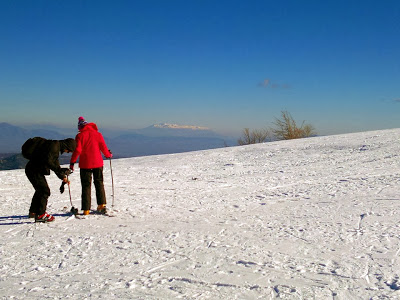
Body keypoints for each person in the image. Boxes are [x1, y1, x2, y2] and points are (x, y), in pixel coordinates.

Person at [24, 138, 76, 222]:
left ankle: (33, 212)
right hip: (34, 170)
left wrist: (62, 177)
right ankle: (40, 215)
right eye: (69, 150)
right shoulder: (54, 147)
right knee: (44, 191)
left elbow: (55, 164)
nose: (68, 152)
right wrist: (61, 171)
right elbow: (49, 162)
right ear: (67, 146)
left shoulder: (55, 147)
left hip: (33, 169)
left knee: (40, 190)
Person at [70, 117, 112, 215]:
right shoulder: (98, 134)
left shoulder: (79, 136)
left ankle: (86, 209)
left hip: (85, 164)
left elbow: (78, 150)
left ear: (80, 127)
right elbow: (103, 146)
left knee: (86, 186)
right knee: (99, 183)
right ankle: (101, 205)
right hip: (98, 163)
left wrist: (72, 162)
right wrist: (108, 155)